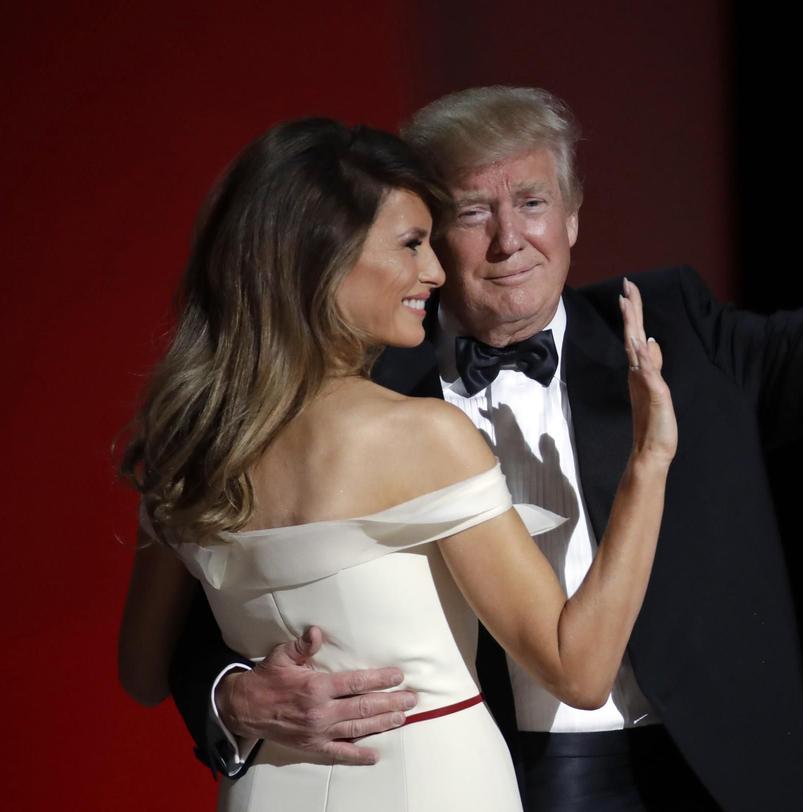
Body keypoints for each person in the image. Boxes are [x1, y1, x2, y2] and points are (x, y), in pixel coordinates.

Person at [171, 87, 803, 810]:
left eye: (531, 203)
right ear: (427, 234)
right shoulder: (361, 398)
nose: (507, 238)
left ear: (573, 219)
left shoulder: (676, 329)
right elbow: (208, 607)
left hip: (705, 769)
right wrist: (233, 698)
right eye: (471, 210)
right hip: (481, 781)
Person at [117, 117, 678, 811]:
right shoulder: (422, 439)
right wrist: (648, 464)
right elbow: (580, 670)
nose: (435, 271)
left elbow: (142, 672)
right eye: (411, 244)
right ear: (320, 259)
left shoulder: (184, 442)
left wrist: (233, 696)